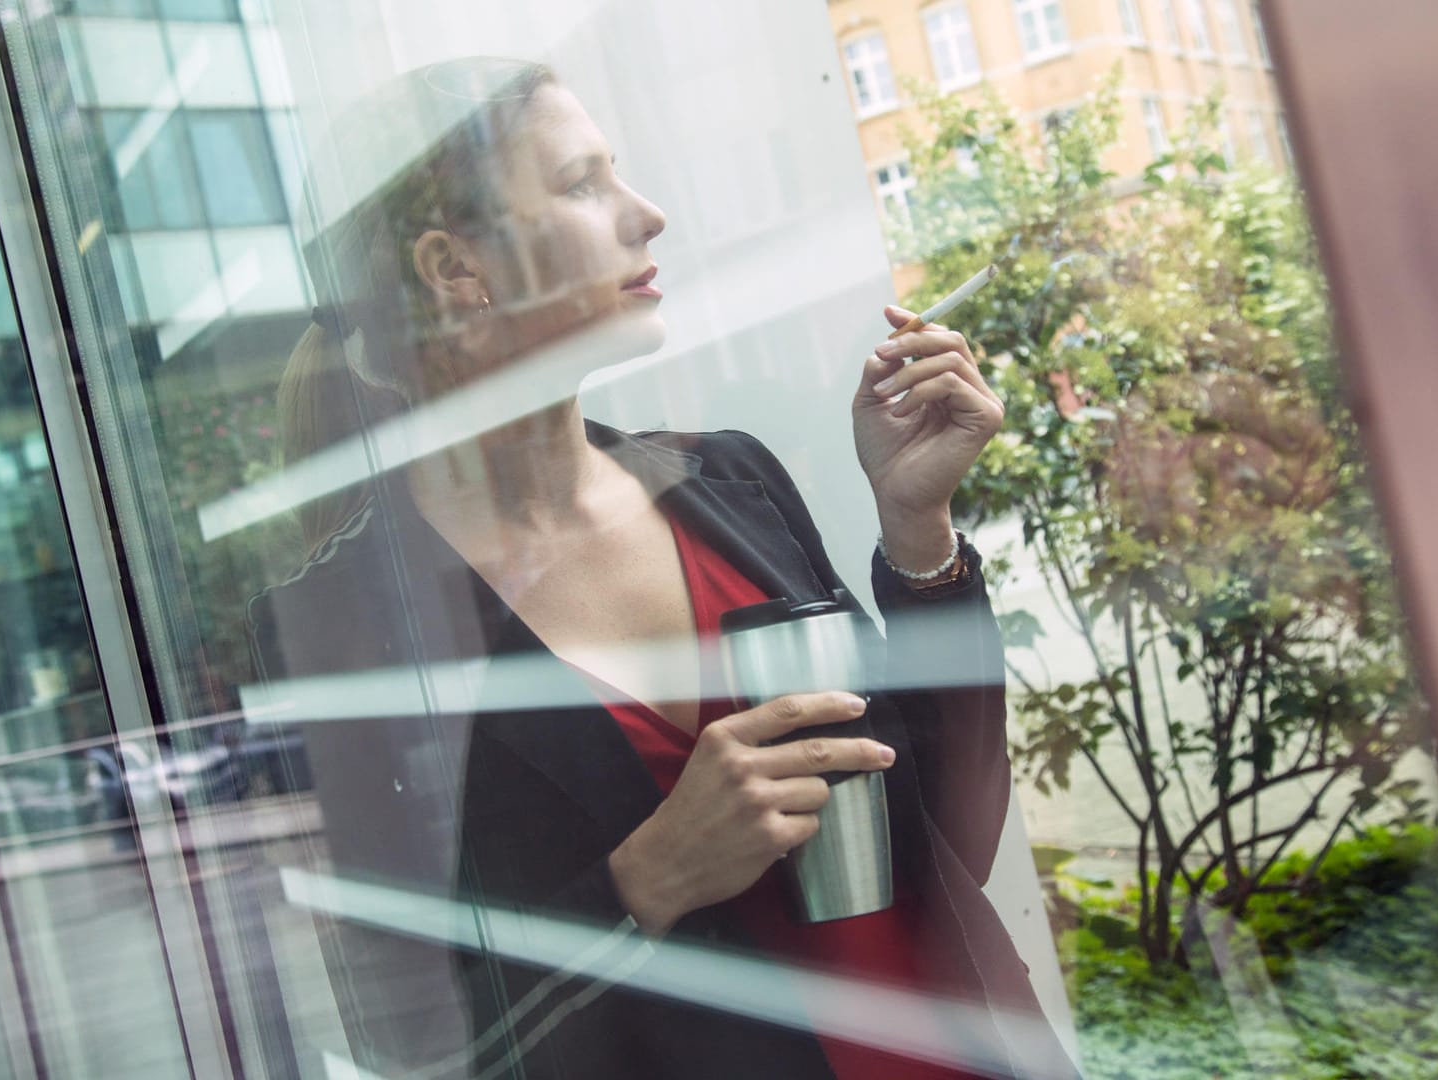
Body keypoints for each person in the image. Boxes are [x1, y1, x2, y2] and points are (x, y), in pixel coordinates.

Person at [248, 57, 1075, 1080]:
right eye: (584, 185)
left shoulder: (730, 481)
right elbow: (406, 1033)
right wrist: (646, 879)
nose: (647, 215)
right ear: (453, 269)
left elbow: (955, 834)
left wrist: (919, 538)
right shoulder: (340, 625)